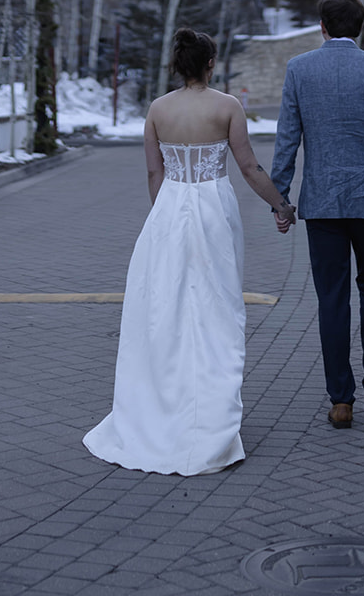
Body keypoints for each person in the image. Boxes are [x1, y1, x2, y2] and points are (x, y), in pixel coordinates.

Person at [83, 26, 296, 475]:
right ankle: (211, 421)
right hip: (214, 210)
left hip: (169, 209)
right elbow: (249, 167)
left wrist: (163, 219)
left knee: (165, 310)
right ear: (210, 64)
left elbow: (153, 173)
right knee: (216, 309)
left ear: (178, 65)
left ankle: (162, 410)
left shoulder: (158, 109)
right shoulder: (227, 106)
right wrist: (281, 205)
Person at [269, 0, 364, 430]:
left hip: (323, 202)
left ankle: (340, 400)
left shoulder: (299, 69)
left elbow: (287, 137)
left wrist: (281, 198)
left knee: (331, 297)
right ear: (361, 28)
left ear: (322, 27)